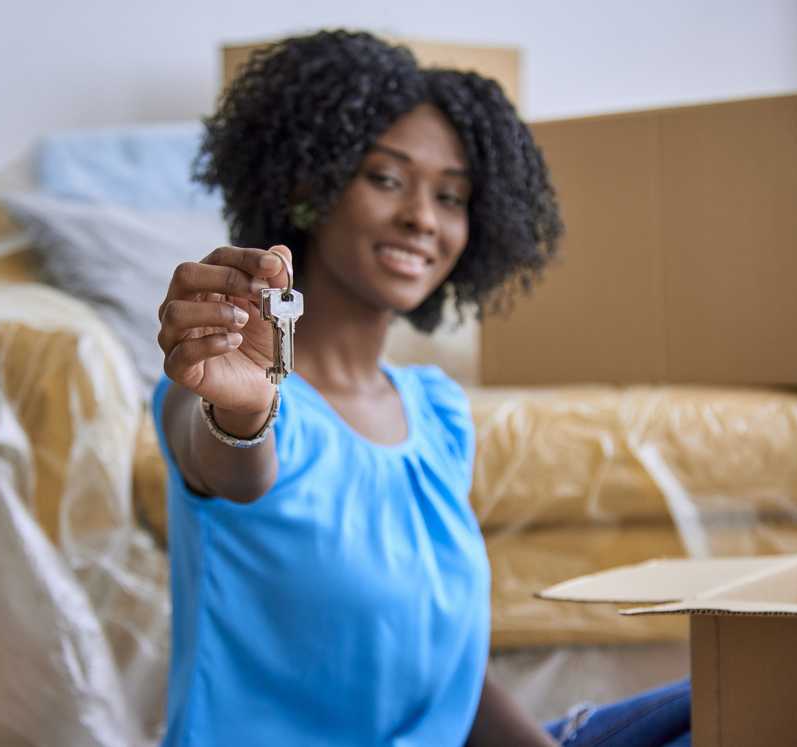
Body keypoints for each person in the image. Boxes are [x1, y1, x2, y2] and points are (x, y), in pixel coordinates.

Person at [153, 29, 690, 746]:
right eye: (385, 178)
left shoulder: (437, 411)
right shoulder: (226, 395)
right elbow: (229, 461)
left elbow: (444, 676)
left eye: (452, 196)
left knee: (726, 700)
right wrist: (244, 409)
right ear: (308, 187)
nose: (422, 217)